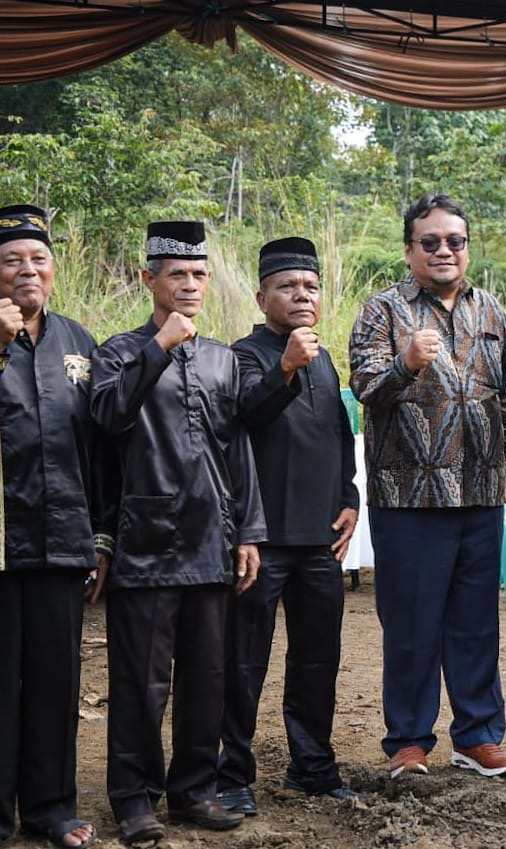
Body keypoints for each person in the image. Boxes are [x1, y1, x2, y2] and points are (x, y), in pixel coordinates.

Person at [90, 221, 267, 845]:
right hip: (146, 541)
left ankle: (195, 790)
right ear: (150, 280)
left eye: (197, 274)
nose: (189, 285)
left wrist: (248, 530)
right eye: (176, 275)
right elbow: (109, 416)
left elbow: (236, 449)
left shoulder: (224, 359)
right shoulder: (117, 352)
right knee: (141, 680)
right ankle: (134, 799)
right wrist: (159, 346)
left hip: (212, 541)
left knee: (208, 676)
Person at [348, 193, 506, 780]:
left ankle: (477, 736)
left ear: (467, 247)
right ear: (409, 249)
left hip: (478, 494)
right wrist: (405, 362)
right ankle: (409, 741)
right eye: (431, 242)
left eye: (455, 241)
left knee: (477, 624)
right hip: (409, 499)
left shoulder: (491, 310)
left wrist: (503, 462)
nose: (443, 251)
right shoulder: (384, 309)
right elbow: (366, 386)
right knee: (413, 625)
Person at [216, 237, 362, 816]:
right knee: (244, 660)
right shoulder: (244, 355)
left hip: (320, 539)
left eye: (311, 287)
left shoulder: (323, 358)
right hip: (262, 540)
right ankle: (232, 776)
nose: (301, 296)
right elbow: (245, 414)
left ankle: (313, 768)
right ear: (262, 296)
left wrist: (349, 496)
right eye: (287, 287)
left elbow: (337, 432)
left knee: (317, 659)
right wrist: (285, 365)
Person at [0, 205, 114, 849]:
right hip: (1, 541)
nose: (27, 270)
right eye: (12, 259)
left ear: (54, 269)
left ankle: (50, 809)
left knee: (55, 680)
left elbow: (99, 449)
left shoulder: (79, 342)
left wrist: (100, 536)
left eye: (38, 258)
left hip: (63, 537)